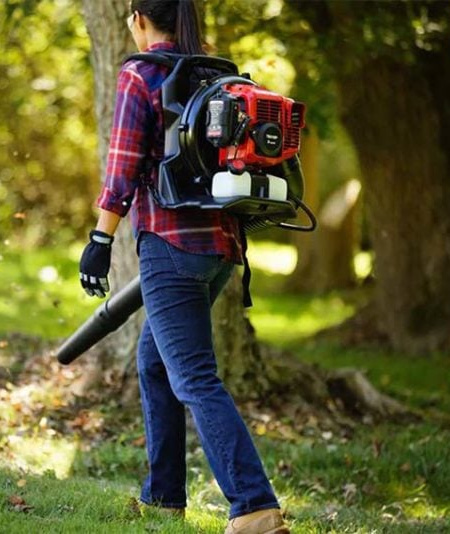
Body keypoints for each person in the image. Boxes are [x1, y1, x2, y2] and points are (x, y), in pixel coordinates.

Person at [78, 1, 290, 533]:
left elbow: (123, 164)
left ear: (139, 19)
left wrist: (100, 238)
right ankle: (164, 498)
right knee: (154, 364)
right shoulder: (212, 74)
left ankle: (255, 507)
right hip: (221, 248)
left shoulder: (141, 74)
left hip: (170, 246)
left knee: (194, 377)